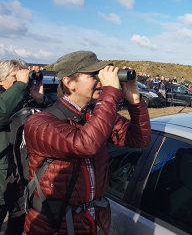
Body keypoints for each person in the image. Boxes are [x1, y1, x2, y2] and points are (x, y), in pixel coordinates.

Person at [23, 51, 151, 235]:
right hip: (54, 226)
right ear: (69, 83)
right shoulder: (40, 123)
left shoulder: (96, 116)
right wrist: (110, 93)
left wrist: (134, 101)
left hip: (94, 222)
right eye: (93, 75)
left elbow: (139, 139)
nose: (100, 80)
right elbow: (85, 144)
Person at [0, 59, 45, 234]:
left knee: (17, 228)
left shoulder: (22, 99)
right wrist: (19, 86)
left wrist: (39, 101)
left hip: (21, 179)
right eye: (15, 76)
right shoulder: (9, 99)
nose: (23, 80)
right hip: (2, 181)